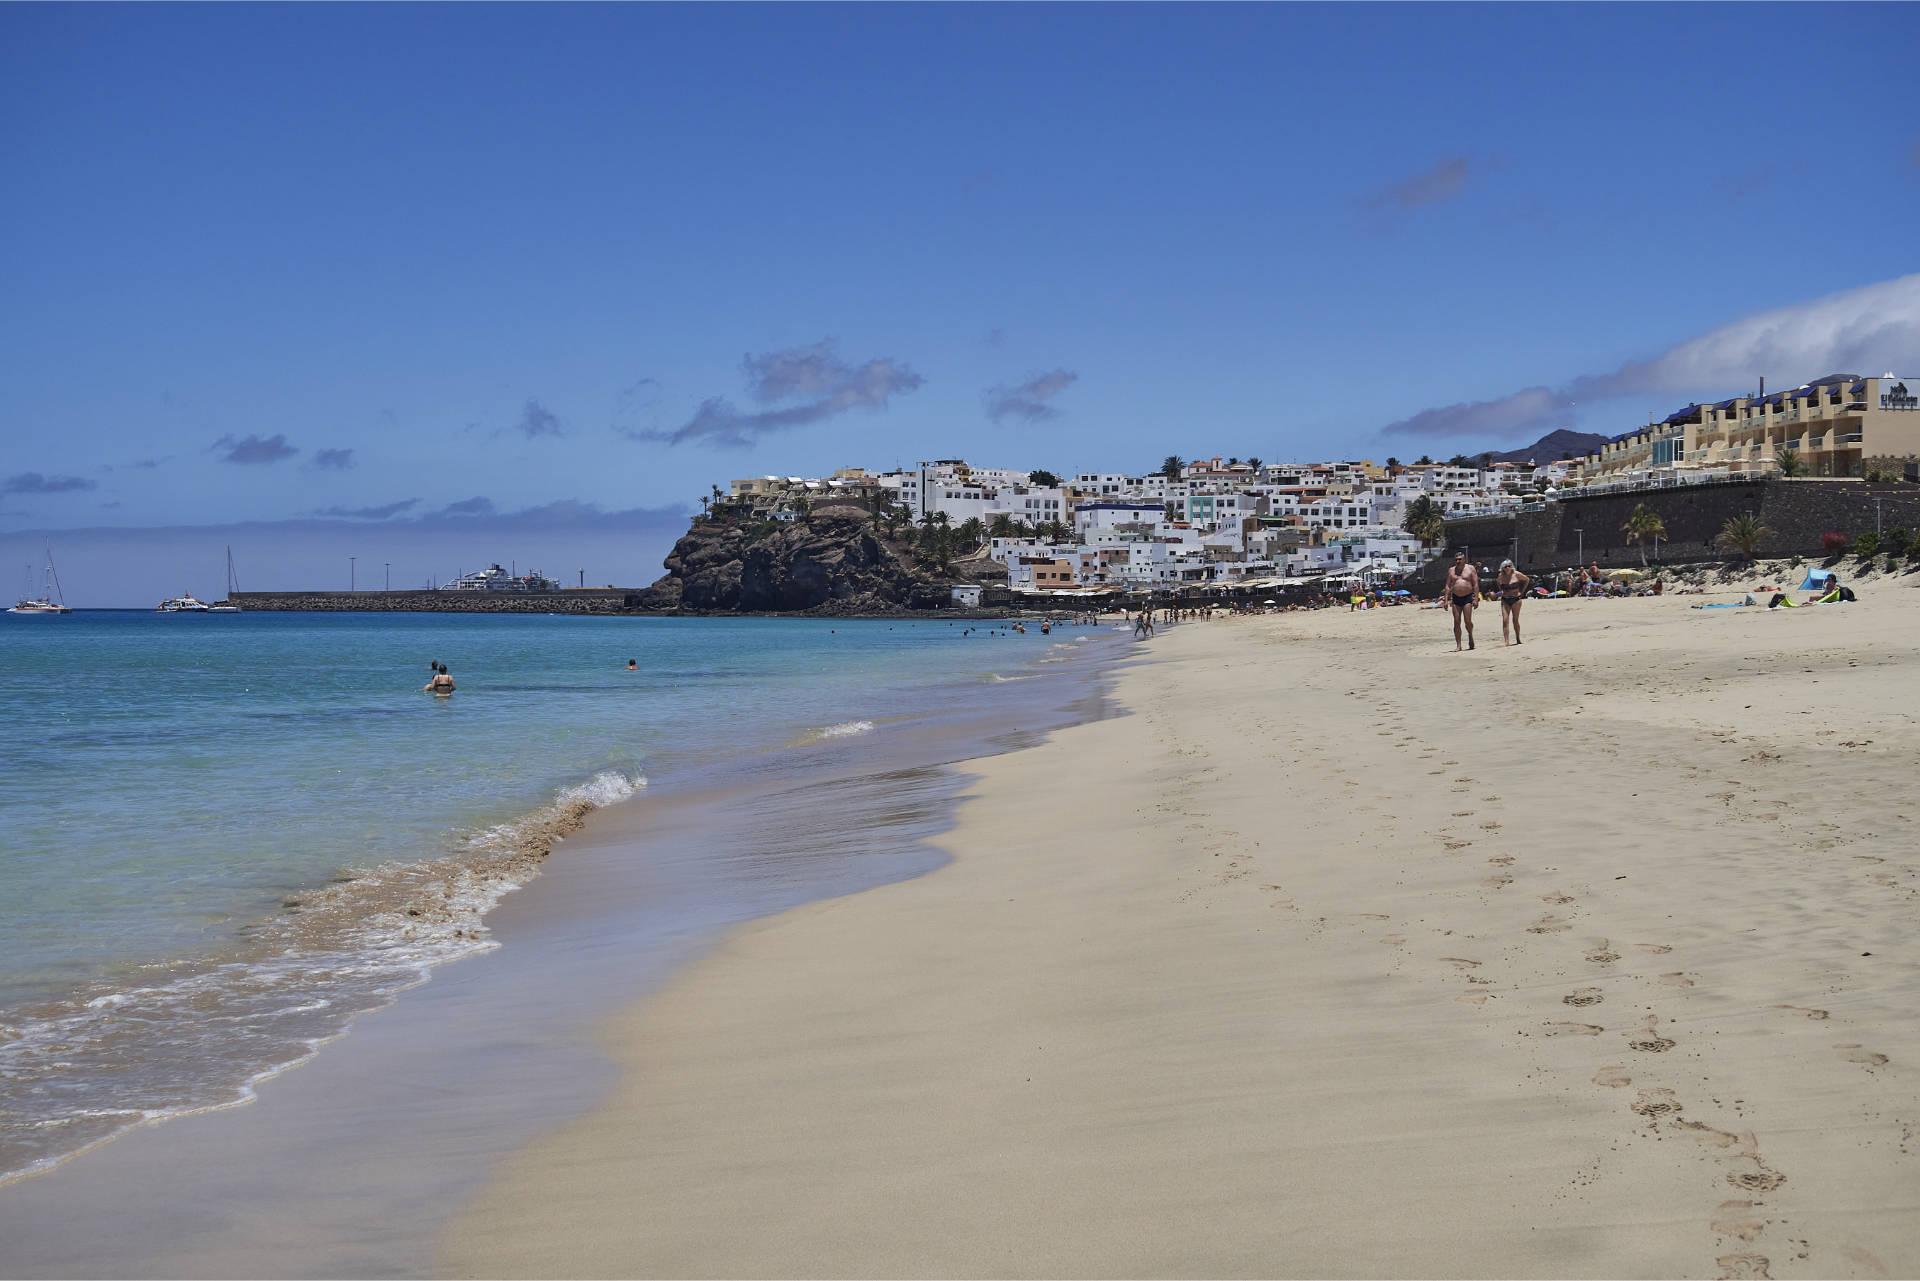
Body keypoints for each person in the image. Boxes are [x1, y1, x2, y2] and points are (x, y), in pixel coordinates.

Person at [1445, 551, 1479, 651]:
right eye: (1456, 559)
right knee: (1456, 621)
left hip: (1467, 597)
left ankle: (1470, 635)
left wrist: (1476, 599)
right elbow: (1447, 585)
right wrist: (1446, 600)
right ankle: (1458, 645)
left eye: (1460, 559)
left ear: (1464, 560)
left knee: (1467, 621)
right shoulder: (1451, 570)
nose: (1458, 561)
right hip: (1455, 598)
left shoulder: (1470, 569)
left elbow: (1475, 584)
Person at [1496, 559, 1530, 645]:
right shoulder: (1501, 576)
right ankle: (1506, 641)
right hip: (1505, 599)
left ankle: (1518, 638)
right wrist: (1501, 591)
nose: (1507, 568)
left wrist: (1522, 592)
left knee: (1515, 620)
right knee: (1505, 620)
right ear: (1502, 568)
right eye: (1505, 567)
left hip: (1516, 599)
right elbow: (1498, 583)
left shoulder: (1516, 574)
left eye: (1509, 566)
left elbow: (1527, 579)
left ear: (1512, 566)